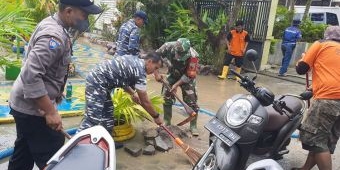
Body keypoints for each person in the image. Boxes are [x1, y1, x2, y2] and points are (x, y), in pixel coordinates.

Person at [7, 0, 102, 169]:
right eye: (84, 15)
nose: (86, 19)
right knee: (54, 154)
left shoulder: (53, 23)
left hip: (22, 103)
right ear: (68, 11)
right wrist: (50, 112)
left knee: (24, 153)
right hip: (32, 109)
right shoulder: (54, 37)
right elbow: (31, 75)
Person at [78, 52, 163, 136]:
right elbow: (145, 101)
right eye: (155, 68)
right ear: (149, 61)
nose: (154, 72)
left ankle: (107, 140)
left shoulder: (134, 60)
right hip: (97, 82)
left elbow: (122, 79)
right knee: (93, 118)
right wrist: (156, 116)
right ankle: (77, 145)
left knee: (108, 112)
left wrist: (132, 93)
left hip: (102, 82)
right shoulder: (141, 72)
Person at [294, 26, 340, 170]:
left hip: (328, 100)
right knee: (324, 139)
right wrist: (315, 87)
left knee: (316, 140)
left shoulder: (320, 44)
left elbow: (301, 69)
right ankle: (305, 168)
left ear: (327, 36)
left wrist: (302, 59)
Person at [155, 38, 200, 136]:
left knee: (192, 101)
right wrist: (156, 73)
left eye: (182, 55)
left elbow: (189, 75)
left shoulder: (193, 56)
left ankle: (193, 125)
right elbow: (154, 57)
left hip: (187, 77)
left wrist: (176, 85)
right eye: (178, 54)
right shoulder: (167, 47)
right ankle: (167, 120)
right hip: (172, 74)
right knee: (166, 96)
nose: (179, 57)